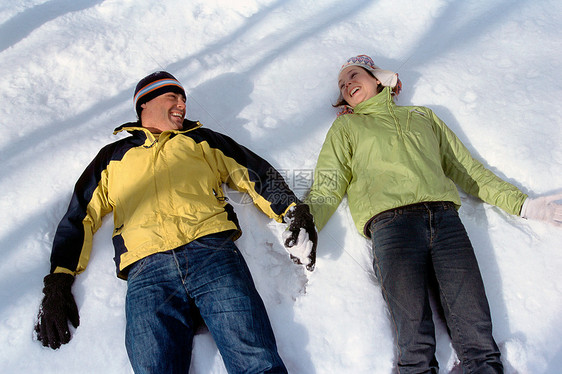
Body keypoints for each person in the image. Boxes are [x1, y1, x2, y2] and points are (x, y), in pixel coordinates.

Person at [34, 71, 317, 374]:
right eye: (174, 97)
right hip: (147, 270)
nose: (182, 105)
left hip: (212, 253)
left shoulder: (202, 141)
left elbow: (254, 173)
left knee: (255, 359)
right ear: (145, 103)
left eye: (184, 100)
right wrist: (59, 282)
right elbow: (80, 216)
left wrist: (293, 210)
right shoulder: (112, 158)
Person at [296, 55, 562, 373]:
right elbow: (329, 182)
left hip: (446, 221)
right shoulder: (347, 127)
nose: (347, 84)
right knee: (415, 345)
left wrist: (525, 205)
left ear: (378, 78)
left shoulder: (422, 116)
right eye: (342, 84)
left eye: (354, 75)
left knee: (478, 340)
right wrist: (307, 220)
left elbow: (468, 170)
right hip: (391, 227)